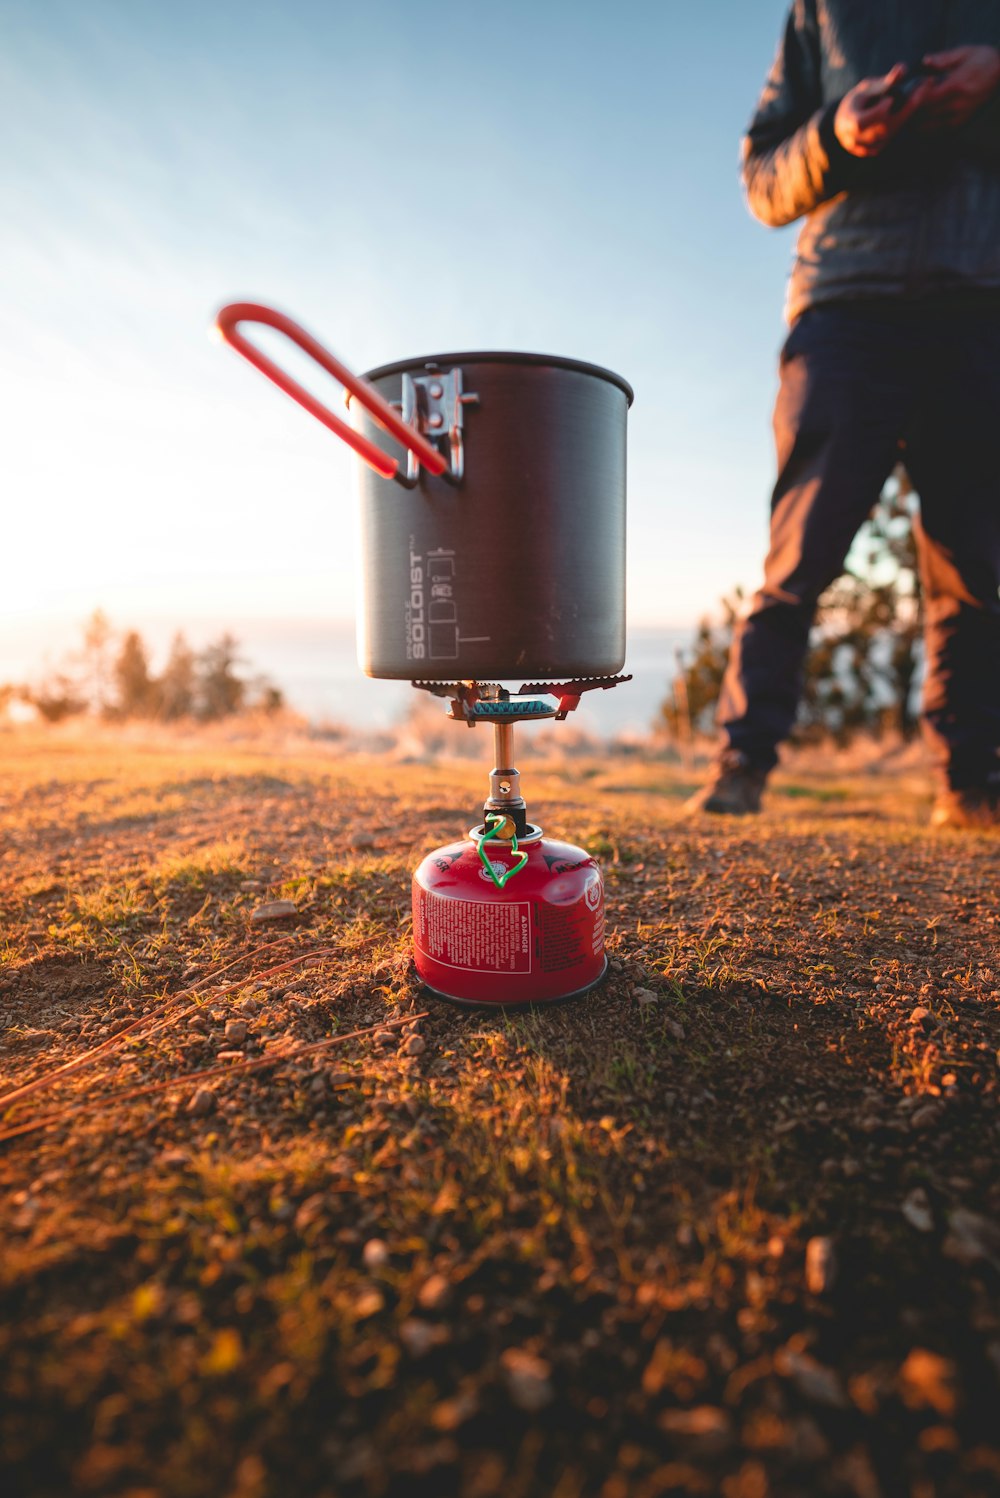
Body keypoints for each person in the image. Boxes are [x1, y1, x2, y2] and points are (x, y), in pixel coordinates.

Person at [688, 2, 1000, 830]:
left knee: (975, 562)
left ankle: (968, 786)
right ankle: (741, 769)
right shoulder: (820, 10)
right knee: (800, 551)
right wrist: (835, 134)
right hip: (843, 308)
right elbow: (762, 179)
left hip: (981, 303)